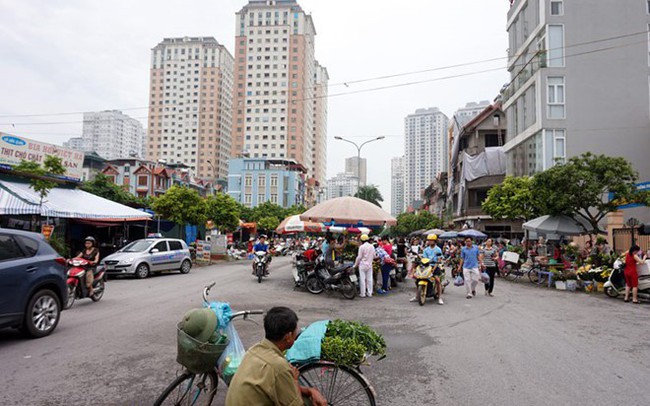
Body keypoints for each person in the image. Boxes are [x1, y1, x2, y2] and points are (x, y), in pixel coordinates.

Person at [226, 307, 326, 406]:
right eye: (296, 330)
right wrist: (295, 380)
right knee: (308, 403)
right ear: (288, 336)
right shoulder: (278, 365)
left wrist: (309, 390)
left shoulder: (255, 349)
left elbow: (278, 387)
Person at [416, 234, 444, 305]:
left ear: (435, 241)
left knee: (437, 280)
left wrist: (434, 268)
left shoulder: (438, 249)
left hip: (435, 266)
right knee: (418, 278)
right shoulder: (426, 250)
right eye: (428, 240)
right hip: (427, 266)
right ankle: (417, 296)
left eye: (431, 240)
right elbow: (424, 259)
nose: (429, 242)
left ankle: (440, 297)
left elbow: (439, 259)